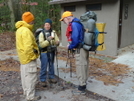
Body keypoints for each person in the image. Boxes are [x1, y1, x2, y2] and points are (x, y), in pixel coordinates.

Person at [60, 11, 89, 94]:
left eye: (63, 20)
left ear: (67, 18)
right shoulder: (78, 22)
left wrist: (70, 46)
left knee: (80, 67)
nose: (64, 22)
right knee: (84, 66)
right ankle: (83, 84)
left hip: (80, 50)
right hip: (83, 48)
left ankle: (81, 88)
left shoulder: (74, 24)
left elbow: (75, 39)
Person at [15, 12, 41, 101]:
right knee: (31, 77)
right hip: (28, 58)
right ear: (30, 21)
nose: (33, 22)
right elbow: (28, 47)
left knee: (25, 76)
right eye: (32, 21)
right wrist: (33, 56)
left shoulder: (19, 29)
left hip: (23, 58)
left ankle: (26, 93)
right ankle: (30, 97)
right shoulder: (26, 31)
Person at [37, 18, 60, 87]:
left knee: (51, 65)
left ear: (50, 25)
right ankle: (43, 80)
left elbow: (57, 40)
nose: (47, 26)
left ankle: (51, 77)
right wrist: (48, 40)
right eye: (46, 24)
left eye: (48, 24)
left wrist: (57, 42)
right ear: (44, 25)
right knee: (44, 66)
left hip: (51, 51)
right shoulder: (41, 33)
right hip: (44, 52)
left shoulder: (53, 32)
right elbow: (41, 44)